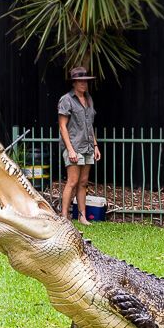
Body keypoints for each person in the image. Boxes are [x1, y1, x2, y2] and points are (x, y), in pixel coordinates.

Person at [58, 67, 101, 226]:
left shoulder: (89, 99)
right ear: (74, 83)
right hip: (74, 146)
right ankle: (64, 217)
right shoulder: (66, 100)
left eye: (86, 81)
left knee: (83, 182)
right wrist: (70, 149)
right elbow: (62, 126)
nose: (84, 84)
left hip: (88, 146)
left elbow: (90, 125)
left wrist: (95, 145)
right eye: (80, 81)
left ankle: (82, 216)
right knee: (72, 181)